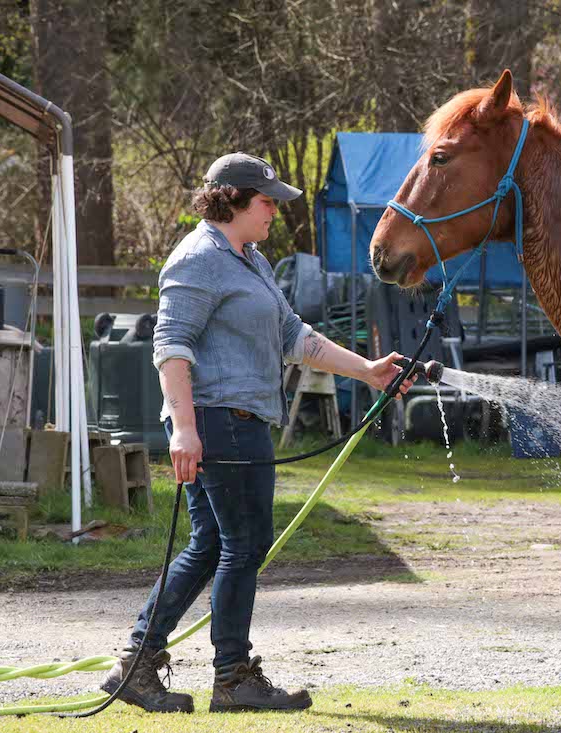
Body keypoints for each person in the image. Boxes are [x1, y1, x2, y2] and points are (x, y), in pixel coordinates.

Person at [101, 152, 415, 713]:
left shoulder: (251, 261)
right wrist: (185, 431)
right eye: (268, 201)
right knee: (243, 547)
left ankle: (138, 667)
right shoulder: (198, 259)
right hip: (219, 421)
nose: (275, 211)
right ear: (234, 200)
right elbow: (170, 346)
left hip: (236, 421)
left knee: (212, 546)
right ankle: (233, 677)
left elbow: (295, 335)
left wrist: (367, 370)